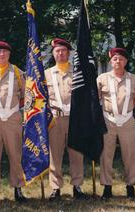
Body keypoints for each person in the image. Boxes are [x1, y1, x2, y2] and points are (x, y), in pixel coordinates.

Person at [0, 41, 27, 205]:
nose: (1, 54)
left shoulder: (18, 72)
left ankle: (18, 188)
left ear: (9, 54)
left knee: (15, 155)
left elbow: (25, 97)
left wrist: (12, 108)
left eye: (5, 52)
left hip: (13, 119)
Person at [97, 48, 135, 201]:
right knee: (106, 155)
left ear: (126, 62)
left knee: (130, 154)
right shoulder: (101, 79)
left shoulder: (134, 79)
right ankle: (107, 187)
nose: (118, 62)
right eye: (115, 59)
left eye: (121, 59)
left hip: (127, 121)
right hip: (107, 120)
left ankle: (130, 187)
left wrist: (124, 112)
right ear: (111, 61)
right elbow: (96, 99)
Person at [45, 38, 85, 201]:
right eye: (57, 51)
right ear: (53, 53)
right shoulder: (46, 74)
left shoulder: (78, 73)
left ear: (69, 53)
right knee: (55, 155)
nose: (60, 53)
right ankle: (55, 188)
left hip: (75, 119)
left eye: (63, 50)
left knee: (76, 153)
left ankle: (77, 185)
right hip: (55, 119)